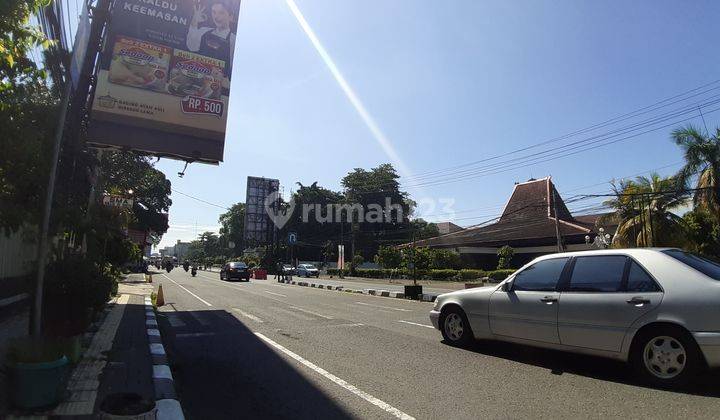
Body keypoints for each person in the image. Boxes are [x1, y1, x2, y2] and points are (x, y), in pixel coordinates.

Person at [186, 0, 236, 76]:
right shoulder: (204, 31)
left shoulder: (234, 40)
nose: (216, 17)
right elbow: (191, 46)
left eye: (221, 13)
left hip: (217, 83)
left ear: (231, 17)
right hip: (198, 76)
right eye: (214, 12)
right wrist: (195, 19)